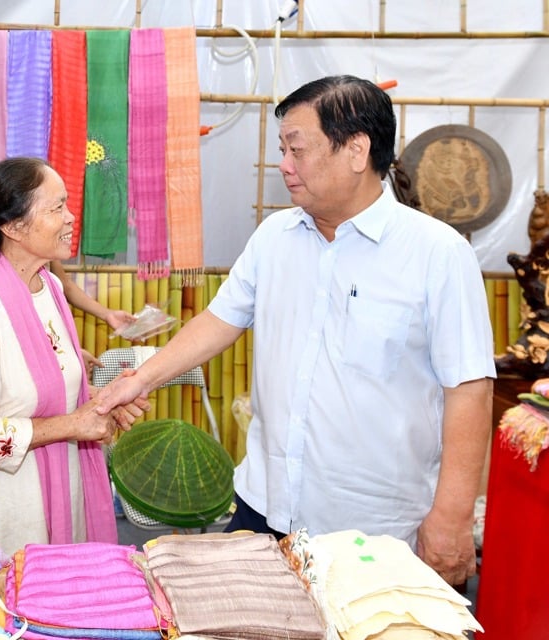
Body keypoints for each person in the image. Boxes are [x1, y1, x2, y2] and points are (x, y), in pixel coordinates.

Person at [95, 75, 494, 586]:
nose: (283, 164)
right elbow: (219, 320)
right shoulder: (275, 237)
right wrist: (140, 379)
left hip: (373, 528)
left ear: (356, 150)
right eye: (282, 148)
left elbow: (470, 389)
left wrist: (453, 517)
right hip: (264, 507)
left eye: (296, 149)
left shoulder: (437, 254)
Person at [0, 157, 147, 556]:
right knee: (3, 603)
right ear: (13, 227)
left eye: (67, 204)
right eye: (57, 207)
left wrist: (104, 401)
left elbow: (48, 385)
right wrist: (74, 424)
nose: (70, 217)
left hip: (58, 481)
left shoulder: (49, 288)